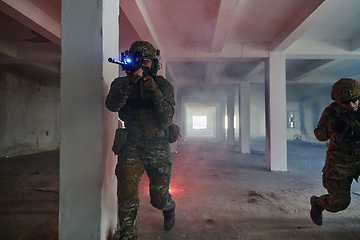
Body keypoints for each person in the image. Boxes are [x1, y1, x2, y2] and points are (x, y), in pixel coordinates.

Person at [105, 41, 176, 240]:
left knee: (159, 198)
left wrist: (154, 90)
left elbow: (167, 117)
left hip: (158, 144)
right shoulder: (121, 83)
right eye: (136, 61)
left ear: (153, 63)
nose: (140, 65)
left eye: (145, 61)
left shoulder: (162, 85)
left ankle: (169, 208)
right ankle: (128, 235)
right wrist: (129, 84)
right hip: (132, 143)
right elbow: (112, 105)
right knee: (126, 190)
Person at [311, 78, 360, 225]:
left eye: (355, 100)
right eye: (345, 102)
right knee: (338, 203)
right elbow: (319, 135)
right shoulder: (332, 111)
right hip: (340, 161)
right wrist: (332, 127)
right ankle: (317, 203)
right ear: (338, 102)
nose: (351, 105)